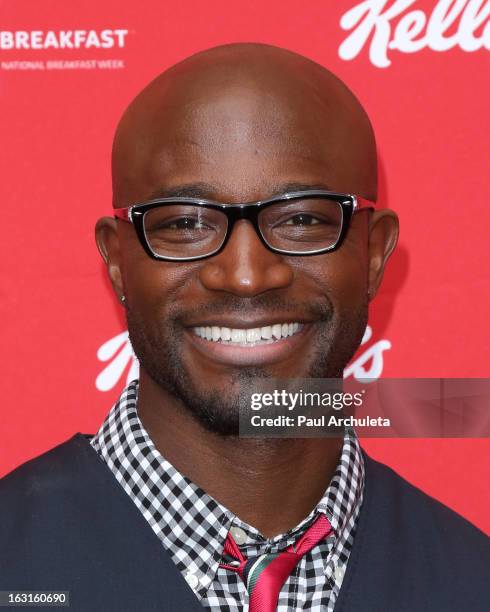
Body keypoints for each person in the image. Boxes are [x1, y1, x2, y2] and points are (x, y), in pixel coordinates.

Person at [1, 43, 488, 612]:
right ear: (116, 262)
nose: (247, 277)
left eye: (303, 218)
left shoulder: (472, 580)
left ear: (375, 255)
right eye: (185, 223)